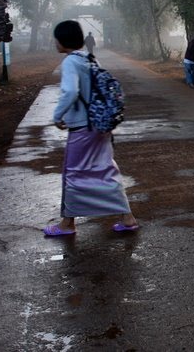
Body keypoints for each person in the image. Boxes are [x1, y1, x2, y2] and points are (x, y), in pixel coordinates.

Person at [44, 20, 138, 236]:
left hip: (82, 128)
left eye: (56, 38)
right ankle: (127, 218)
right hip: (99, 126)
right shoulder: (88, 58)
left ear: (63, 40)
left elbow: (70, 92)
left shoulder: (70, 62)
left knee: (73, 172)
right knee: (105, 169)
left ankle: (67, 224)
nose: (54, 42)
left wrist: (57, 116)